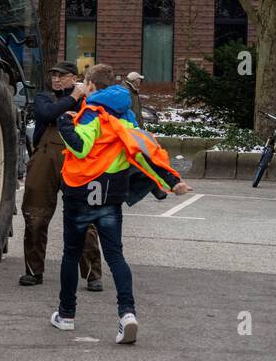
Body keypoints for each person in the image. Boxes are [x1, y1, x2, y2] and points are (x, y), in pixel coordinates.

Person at [52, 63, 189, 344]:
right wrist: (172, 180)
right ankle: (127, 314)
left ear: (90, 85)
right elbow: (144, 151)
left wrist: (64, 122)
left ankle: (66, 315)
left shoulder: (90, 114)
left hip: (79, 196)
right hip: (110, 198)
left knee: (70, 254)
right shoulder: (125, 118)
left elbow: (80, 146)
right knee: (115, 257)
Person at [20, 61, 103, 290]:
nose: (56, 79)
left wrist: (78, 99)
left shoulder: (90, 99)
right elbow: (46, 113)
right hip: (44, 157)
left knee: (83, 218)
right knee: (35, 216)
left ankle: (92, 274)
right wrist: (73, 99)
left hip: (77, 159)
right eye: (53, 75)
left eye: (62, 75)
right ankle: (33, 271)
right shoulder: (44, 98)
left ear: (74, 77)